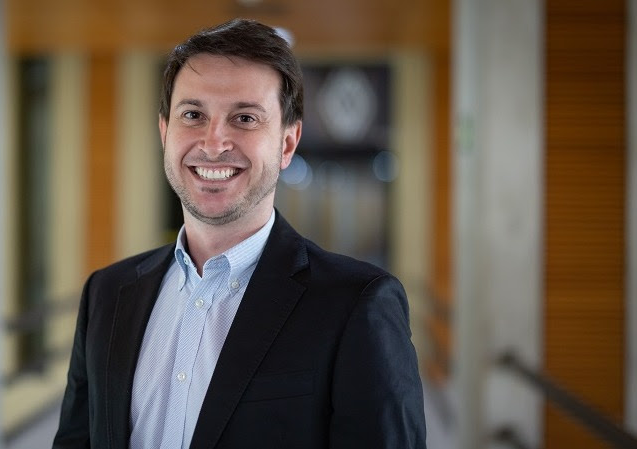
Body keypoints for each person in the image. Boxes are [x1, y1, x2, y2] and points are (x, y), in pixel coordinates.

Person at [53, 18, 426, 449]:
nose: (214, 143)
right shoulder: (107, 293)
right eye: (193, 115)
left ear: (287, 143)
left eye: (245, 118)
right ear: (164, 132)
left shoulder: (358, 305)